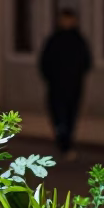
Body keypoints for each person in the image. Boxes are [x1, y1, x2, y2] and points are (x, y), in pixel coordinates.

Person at [39, 8, 92, 157]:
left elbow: (86, 62)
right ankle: (61, 136)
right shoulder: (53, 40)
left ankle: (67, 138)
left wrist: (77, 75)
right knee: (57, 113)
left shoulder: (79, 41)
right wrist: (49, 77)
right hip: (56, 85)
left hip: (74, 85)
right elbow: (44, 61)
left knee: (71, 113)